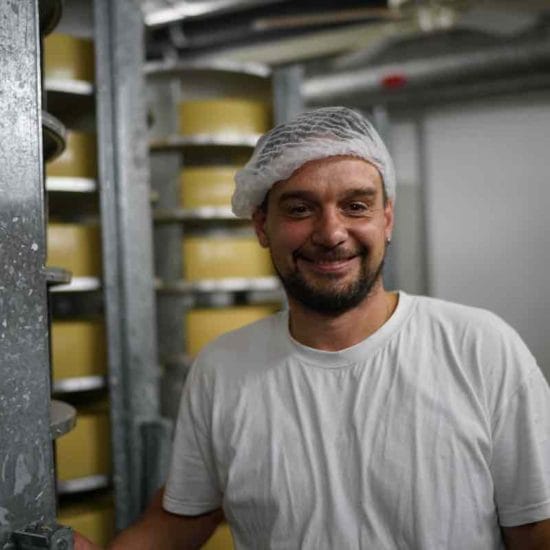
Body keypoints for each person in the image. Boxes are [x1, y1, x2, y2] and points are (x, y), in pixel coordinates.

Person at [79, 106, 550, 549]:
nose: (331, 233)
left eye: (356, 206)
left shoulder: (478, 348)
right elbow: (183, 516)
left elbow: (534, 525)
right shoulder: (223, 369)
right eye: (300, 209)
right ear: (261, 226)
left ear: (387, 219)